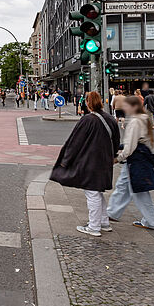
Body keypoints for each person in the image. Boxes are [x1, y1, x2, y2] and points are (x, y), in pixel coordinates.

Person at [50, 91, 120, 237]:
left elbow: (75, 142)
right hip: (105, 161)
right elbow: (116, 141)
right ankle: (104, 222)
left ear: (88, 103)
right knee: (97, 191)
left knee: (92, 192)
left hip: (91, 161)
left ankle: (94, 227)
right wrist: (113, 156)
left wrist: (65, 160)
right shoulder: (110, 119)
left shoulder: (87, 120)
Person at [107, 95, 154, 230]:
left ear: (134, 107)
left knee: (139, 192)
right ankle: (112, 212)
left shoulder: (136, 121)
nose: (124, 108)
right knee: (123, 186)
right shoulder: (143, 118)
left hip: (136, 159)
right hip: (139, 157)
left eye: (126, 106)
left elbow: (130, 146)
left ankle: (152, 222)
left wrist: (118, 158)